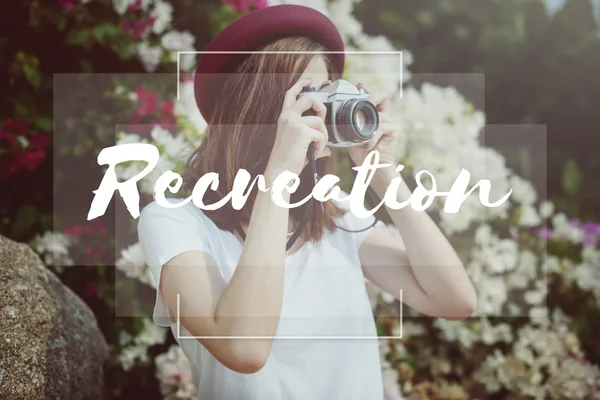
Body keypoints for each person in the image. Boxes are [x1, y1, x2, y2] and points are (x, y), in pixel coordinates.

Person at [137, 5, 477, 400]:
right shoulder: (175, 223)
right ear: (252, 108)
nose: (320, 111)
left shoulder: (336, 217)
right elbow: (244, 349)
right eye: (305, 97)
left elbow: (456, 300)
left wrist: (382, 172)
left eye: (326, 93)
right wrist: (277, 176)